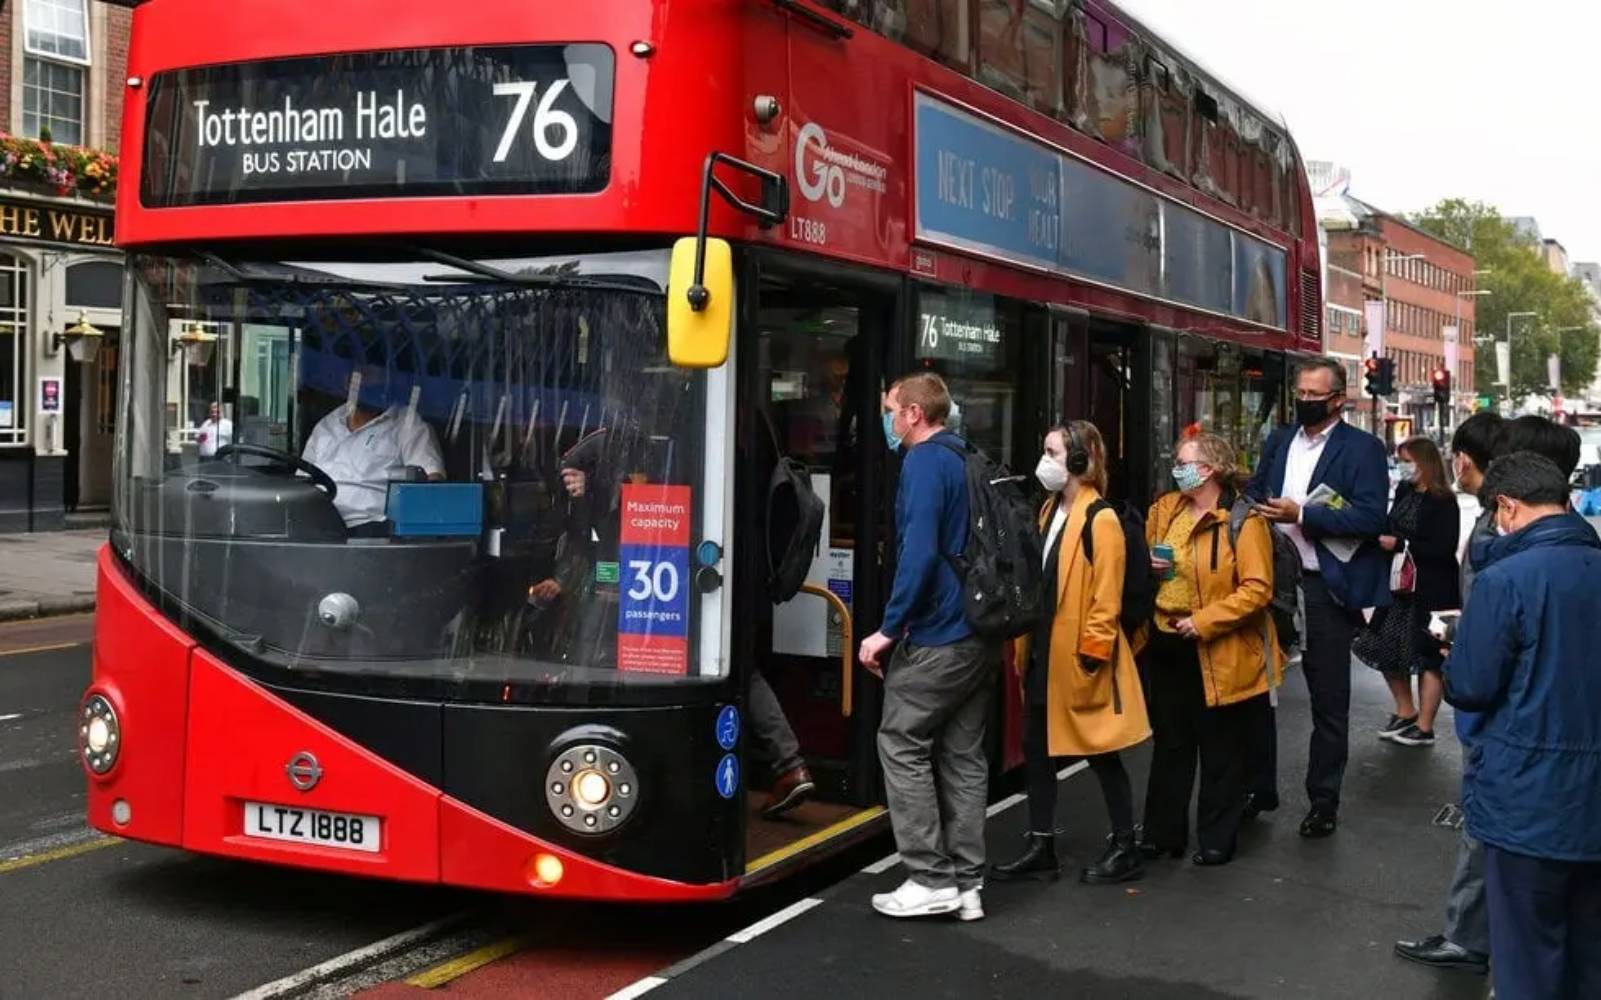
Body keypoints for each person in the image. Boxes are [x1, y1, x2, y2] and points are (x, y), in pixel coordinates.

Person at [1395, 413, 1585, 975]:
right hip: (1573, 763)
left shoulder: (1506, 567)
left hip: (1519, 754)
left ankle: (1470, 939)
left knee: (1523, 930)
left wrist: (1462, 646)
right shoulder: (1586, 554)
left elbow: (1475, 682)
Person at [1443, 451, 1601, 1000]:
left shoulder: (1505, 579)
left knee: (1527, 956)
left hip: (1527, 795)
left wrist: (1454, 650)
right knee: (1588, 952)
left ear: (1507, 506)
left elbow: (1471, 685)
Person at [859, 372, 997, 922]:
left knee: (899, 742)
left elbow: (917, 555)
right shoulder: (966, 455)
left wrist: (887, 630)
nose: (887, 419)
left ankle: (929, 877)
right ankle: (968, 884)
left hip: (938, 634)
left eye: (890, 409)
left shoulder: (921, 464)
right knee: (963, 757)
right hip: (978, 631)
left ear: (914, 413)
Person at [991, 421, 1151, 884]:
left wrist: (1092, 655)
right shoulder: (1049, 510)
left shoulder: (1100, 518)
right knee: (1037, 749)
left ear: (1080, 461)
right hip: (1043, 653)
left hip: (1080, 658)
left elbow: (1106, 596)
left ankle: (1126, 846)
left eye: (1053, 452)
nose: (1044, 461)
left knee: (1101, 751)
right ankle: (1041, 844)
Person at [1247, 356, 1389, 838]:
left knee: (1328, 699)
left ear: (1338, 400)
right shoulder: (1280, 440)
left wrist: (1303, 515)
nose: (1304, 401)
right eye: (1300, 393)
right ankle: (1257, 788)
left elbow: (1371, 518)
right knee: (1255, 691)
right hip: (1271, 581)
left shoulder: (1363, 449)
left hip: (1324, 585)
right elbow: (1255, 490)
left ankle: (1323, 800)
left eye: (1314, 395)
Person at [1137, 431, 1283, 867]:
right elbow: (1144, 559)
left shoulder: (1243, 521)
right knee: (1171, 744)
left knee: (1220, 747)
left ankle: (1217, 838)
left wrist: (1204, 621)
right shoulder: (1166, 510)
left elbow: (1257, 589)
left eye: (1184, 463)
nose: (1176, 469)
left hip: (1218, 647)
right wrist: (1149, 565)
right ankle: (1162, 835)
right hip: (1167, 639)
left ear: (1209, 470)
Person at [1353, 436, 1460, 747]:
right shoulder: (1404, 491)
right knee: (1379, 644)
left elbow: (1444, 548)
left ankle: (1424, 726)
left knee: (1429, 654)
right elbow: (1390, 524)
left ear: (1425, 463)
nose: (1402, 467)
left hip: (1432, 588)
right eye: (1400, 460)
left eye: (1407, 461)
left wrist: (1402, 544)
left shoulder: (1443, 500)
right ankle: (1406, 710)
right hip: (1398, 585)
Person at [302, 364, 445, 532]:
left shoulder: (407, 424)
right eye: (355, 375)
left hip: (371, 529)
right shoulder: (327, 425)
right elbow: (301, 480)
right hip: (314, 523)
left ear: (387, 379)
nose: (360, 381)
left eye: (368, 374)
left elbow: (432, 481)